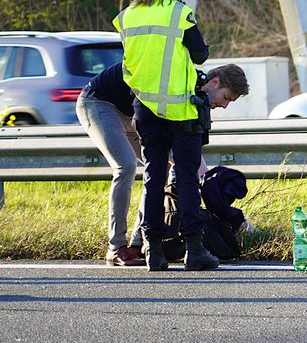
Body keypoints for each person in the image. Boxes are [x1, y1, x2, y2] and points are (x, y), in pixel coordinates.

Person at [114, 0, 230, 272]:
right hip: (181, 111)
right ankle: (194, 249)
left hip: (146, 110)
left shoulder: (126, 18)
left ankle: (154, 252)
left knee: (153, 178)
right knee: (188, 180)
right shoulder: (180, 14)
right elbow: (200, 54)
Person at [77, 60, 248, 266]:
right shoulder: (179, 79)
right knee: (126, 166)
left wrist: (212, 186)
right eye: (226, 97)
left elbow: (186, 154)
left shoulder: (197, 96)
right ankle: (116, 247)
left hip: (133, 113)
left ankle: (139, 242)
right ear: (214, 82)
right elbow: (142, 93)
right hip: (100, 102)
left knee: (160, 168)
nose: (224, 105)